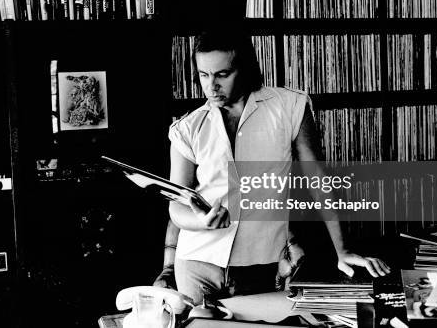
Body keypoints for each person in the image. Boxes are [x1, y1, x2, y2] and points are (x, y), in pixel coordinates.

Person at [154, 27, 390, 304]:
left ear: (245, 69)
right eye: (203, 75)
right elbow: (176, 205)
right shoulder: (187, 128)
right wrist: (200, 220)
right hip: (196, 264)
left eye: (222, 74)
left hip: (261, 265)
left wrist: (343, 250)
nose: (211, 86)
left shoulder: (290, 106)